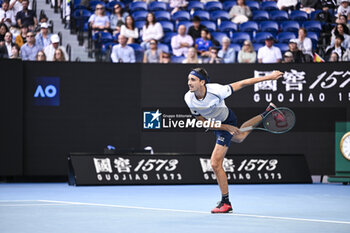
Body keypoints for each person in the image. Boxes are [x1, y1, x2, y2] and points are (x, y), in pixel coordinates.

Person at [184, 67, 284, 213]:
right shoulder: (189, 98)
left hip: (227, 119)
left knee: (215, 163)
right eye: (188, 79)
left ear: (202, 82)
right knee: (240, 137)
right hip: (218, 124)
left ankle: (226, 203)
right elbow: (202, 121)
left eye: (192, 79)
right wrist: (223, 127)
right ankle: (268, 112)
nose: (189, 83)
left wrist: (270, 77)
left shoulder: (217, 90)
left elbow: (243, 83)